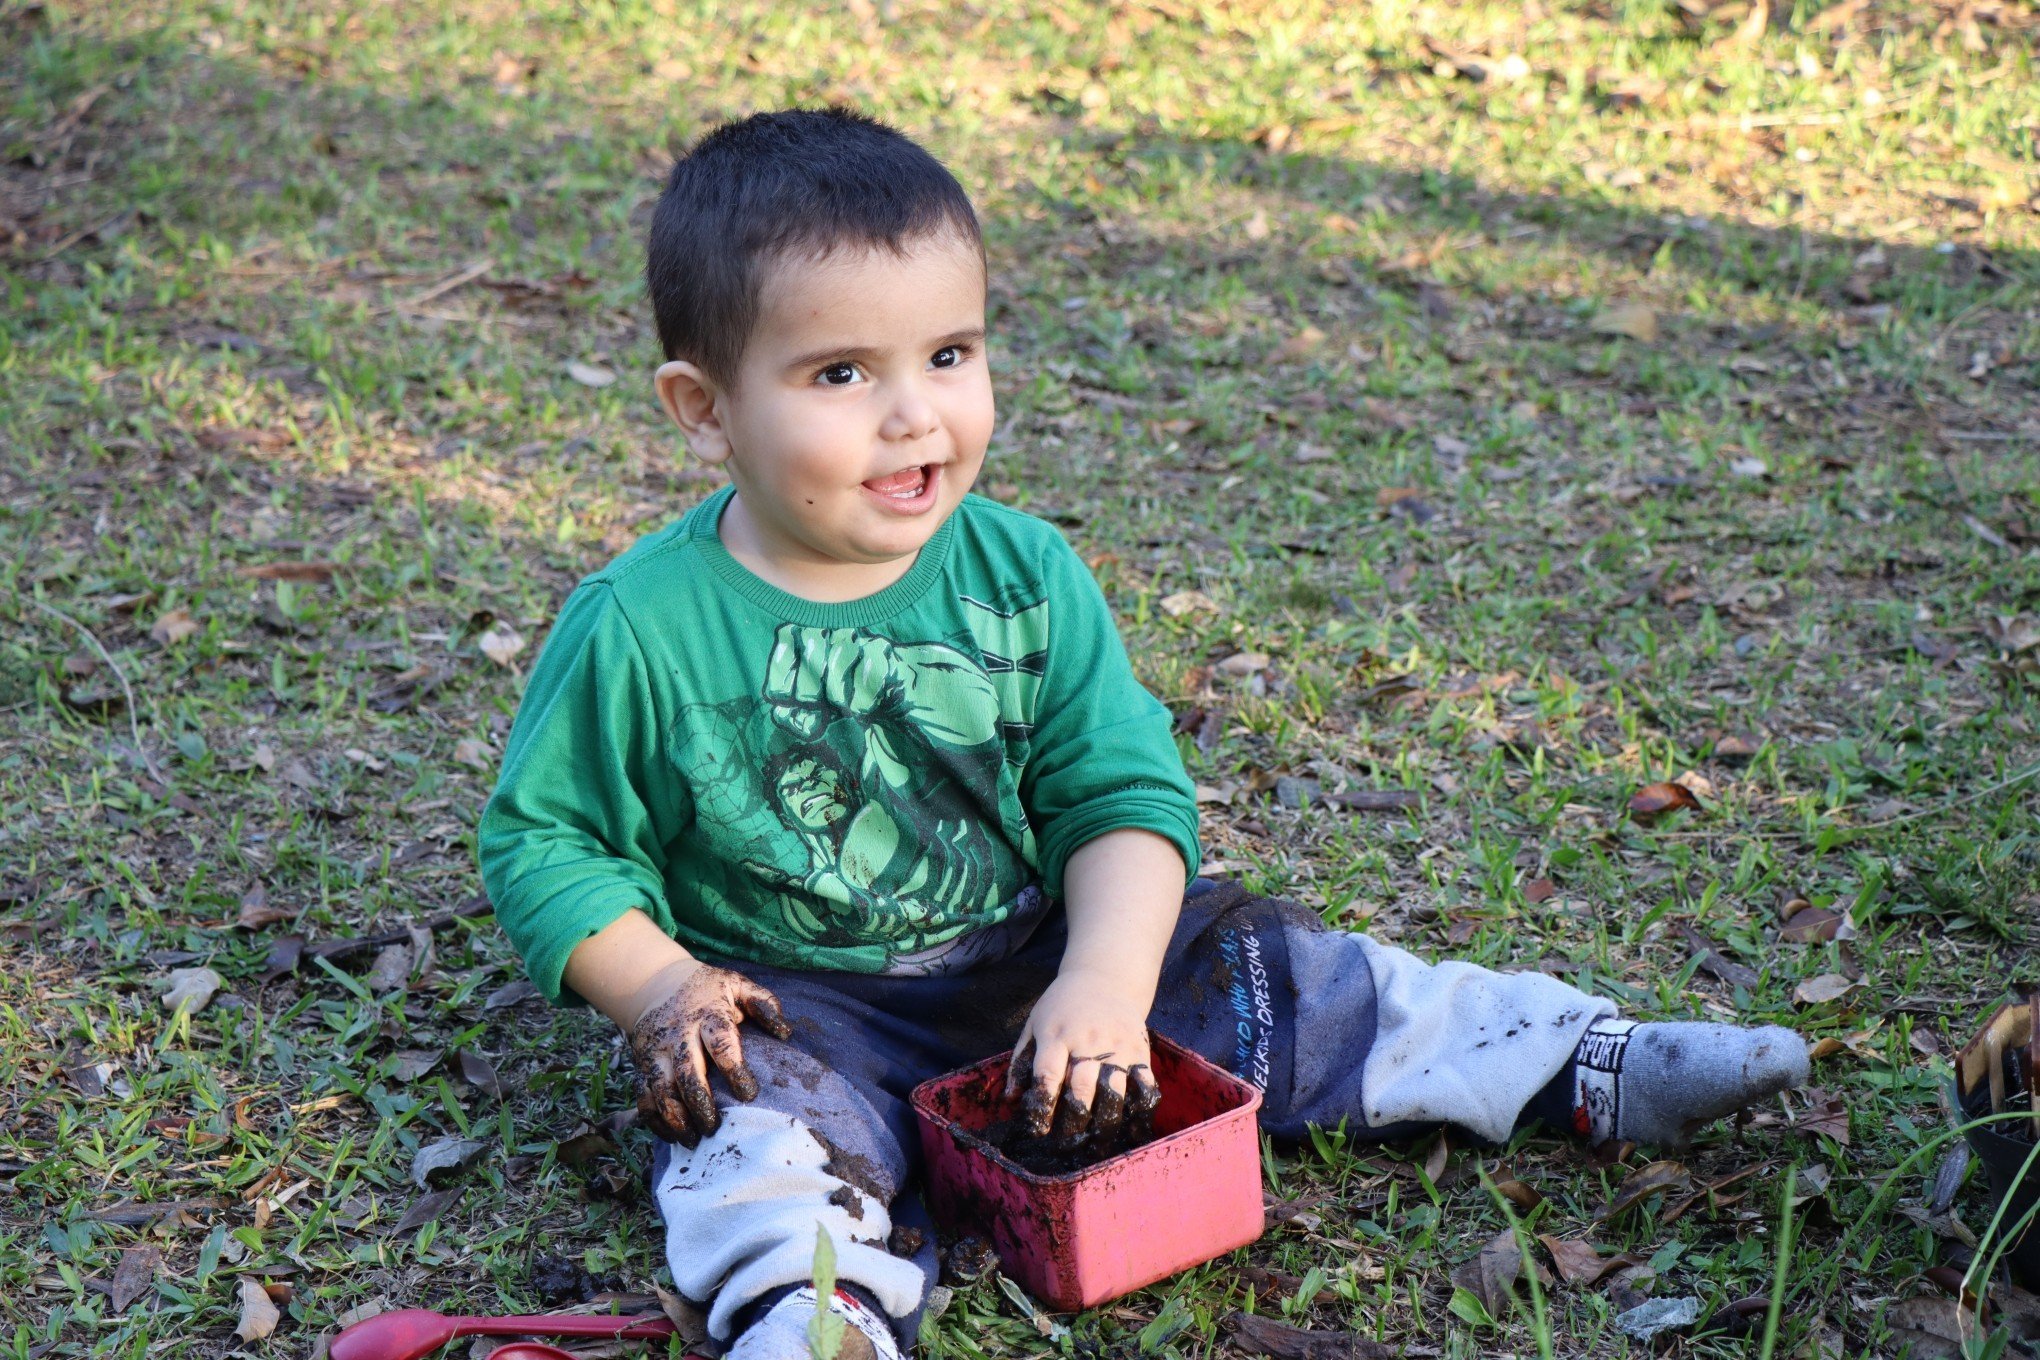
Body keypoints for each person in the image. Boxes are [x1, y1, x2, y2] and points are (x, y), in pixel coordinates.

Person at [477, 108, 1810, 1360]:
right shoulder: (642, 625)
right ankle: (809, 1310)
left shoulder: (1024, 574)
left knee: (1282, 971)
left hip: (1040, 951)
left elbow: (1119, 796)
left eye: (950, 354)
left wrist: (1106, 983)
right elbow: (548, 844)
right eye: (840, 372)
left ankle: (1561, 1054)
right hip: (801, 1001)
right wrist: (660, 988)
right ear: (702, 406)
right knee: (754, 1139)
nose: (914, 414)